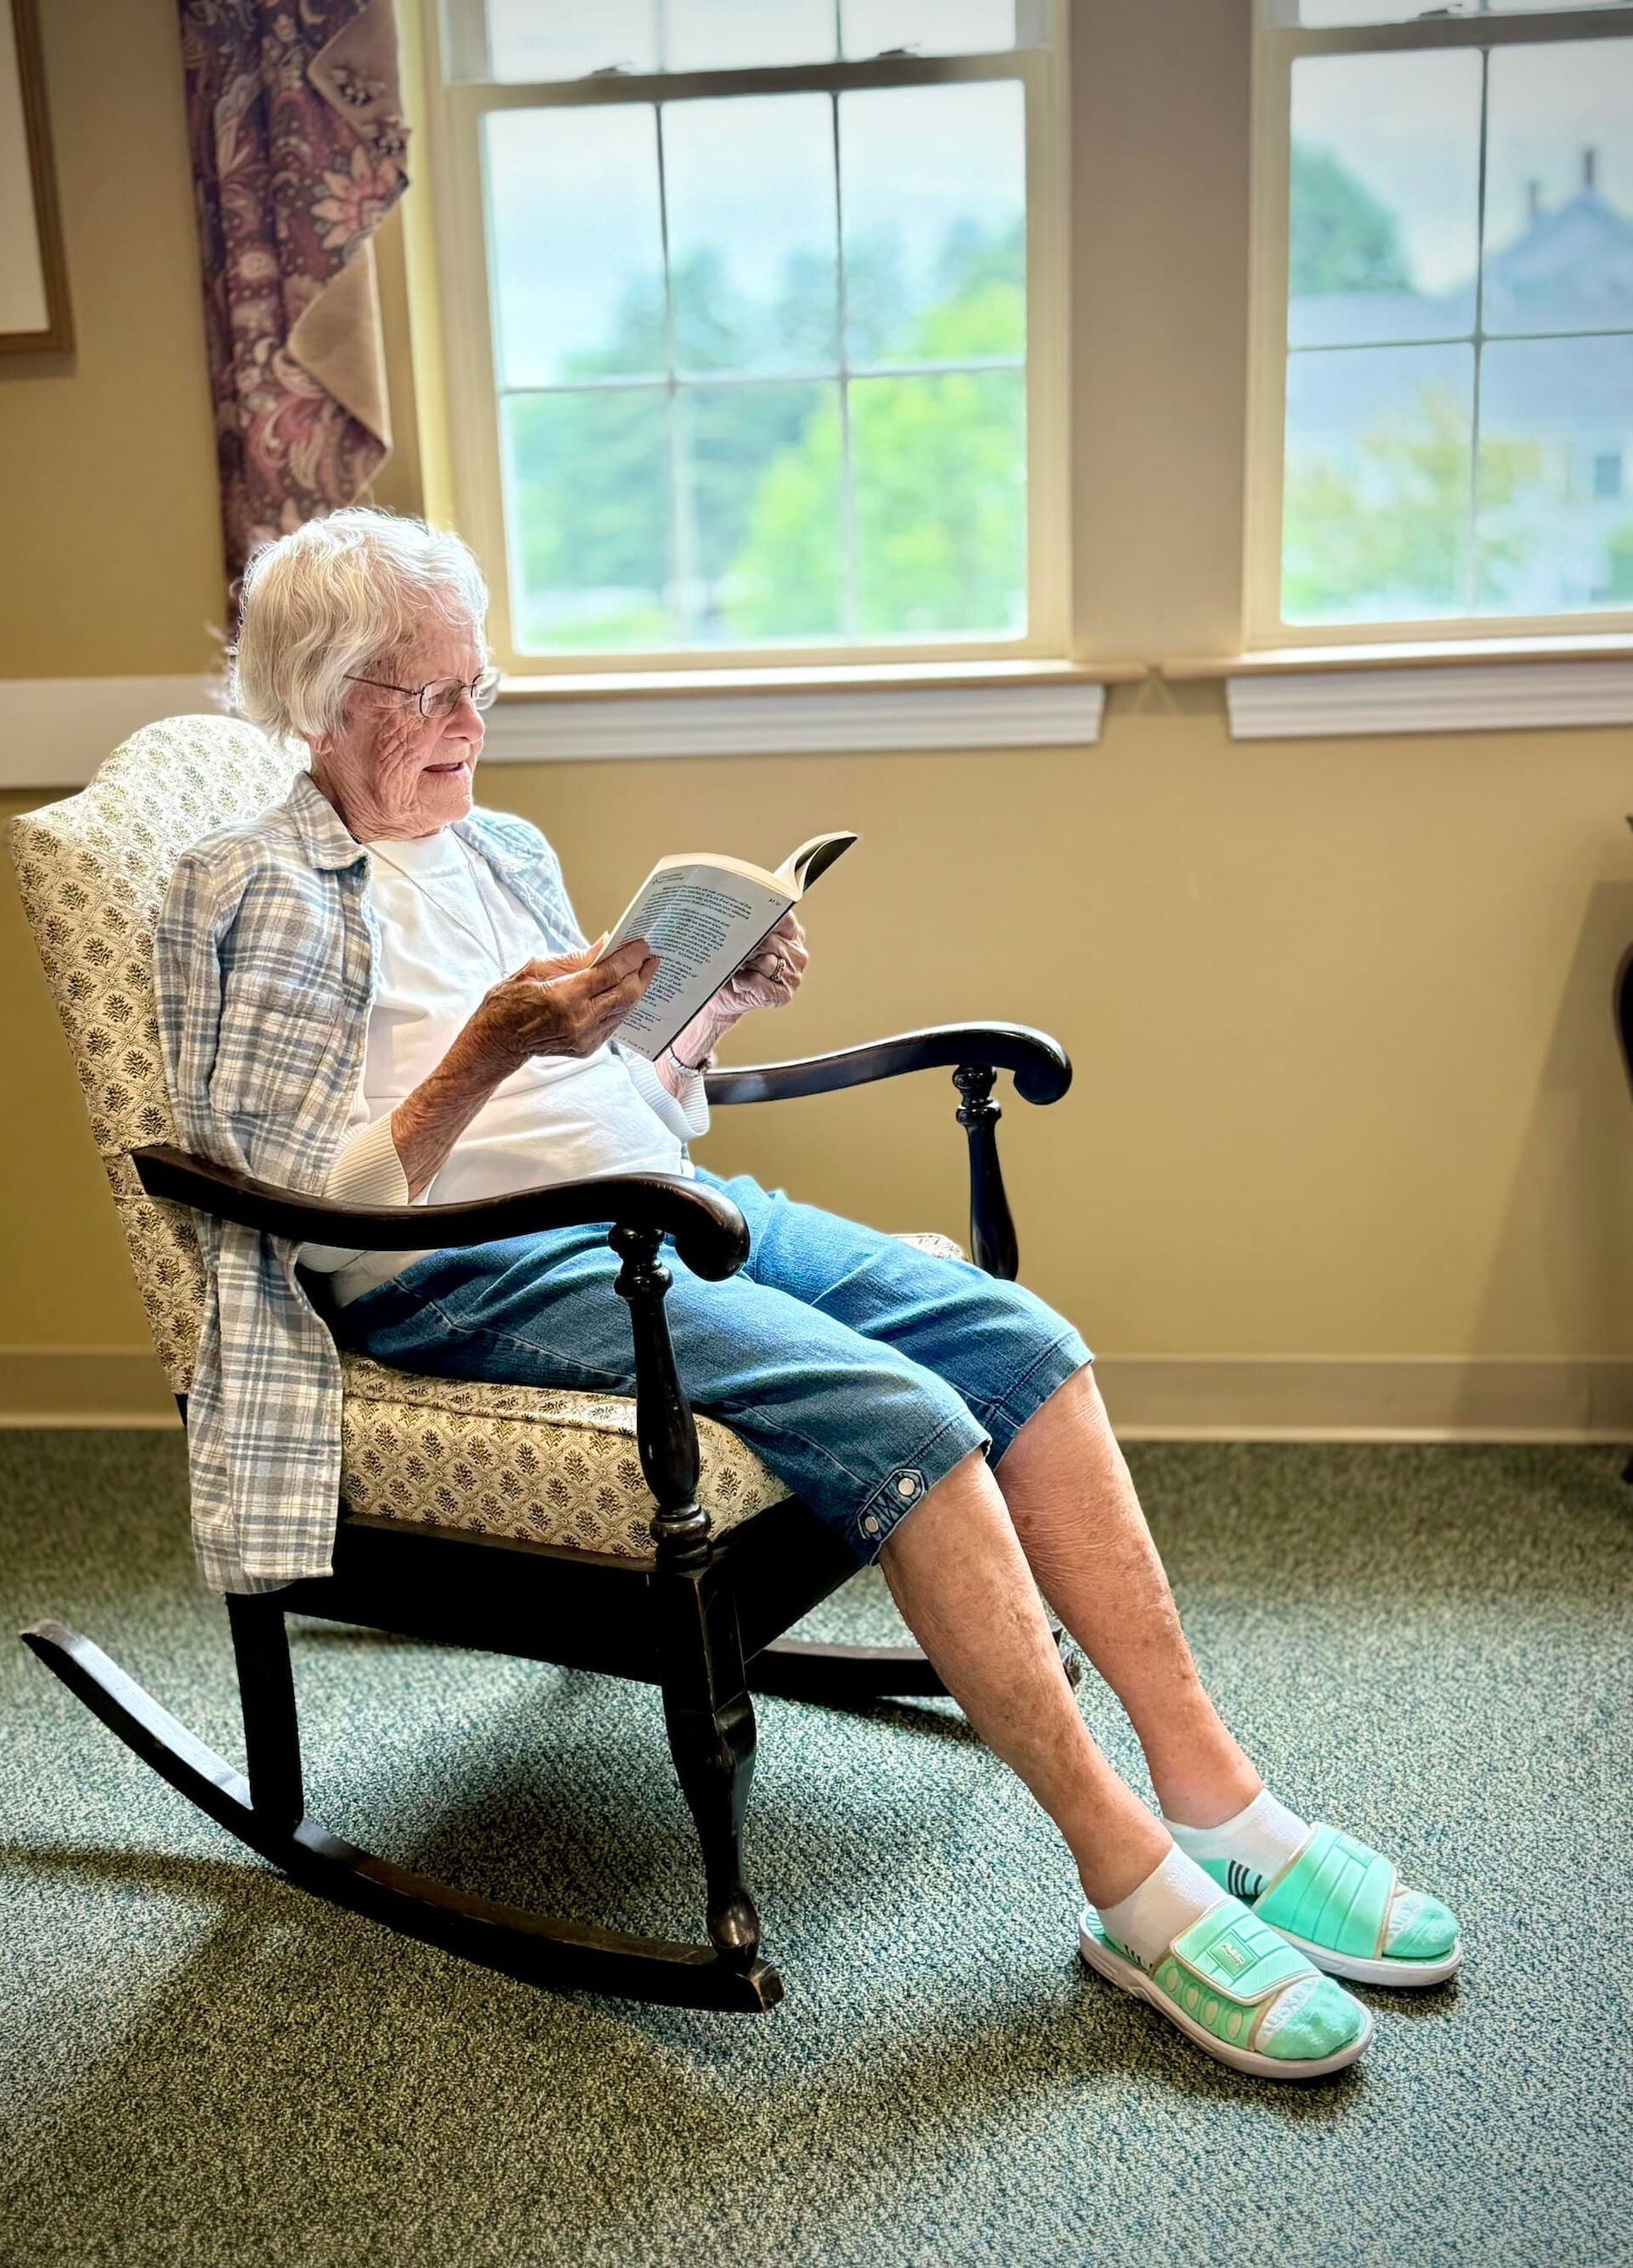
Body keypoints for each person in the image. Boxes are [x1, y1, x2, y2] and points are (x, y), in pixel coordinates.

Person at [157, 509, 1460, 2081]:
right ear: (317, 695)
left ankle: (1222, 1798)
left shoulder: (499, 846)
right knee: (907, 1419)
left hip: (660, 1203)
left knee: (1017, 1343)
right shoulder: (249, 893)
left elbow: (620, 1097)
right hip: (459, 1270)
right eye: (423, 698)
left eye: (479, 687)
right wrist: (489, 1046)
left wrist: (696, 1016)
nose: (467, 728)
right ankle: (1131, 1879)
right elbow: (294, 1210)